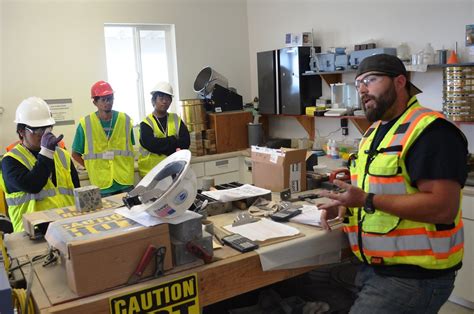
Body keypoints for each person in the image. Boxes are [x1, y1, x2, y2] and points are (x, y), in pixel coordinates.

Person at [318, 54, 467, 313]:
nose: (362, 89)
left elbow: (443, 207)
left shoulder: (431, 132)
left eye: (371, 80)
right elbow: (376, 188)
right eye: (358, 84)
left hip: (414, 276)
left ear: (400, 82)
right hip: (373, 265)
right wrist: (345, 206)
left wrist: (365, 200)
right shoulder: (375, 131)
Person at [0, 97, 79, 232]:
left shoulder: (62, 155)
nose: (44, 134)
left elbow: (77, 191)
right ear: (21, 131)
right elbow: (33, 185)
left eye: (47, 128)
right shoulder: (9, 161)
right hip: (31, 235)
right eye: (37, 130)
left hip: (67, 228)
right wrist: (46, 152)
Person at [71, 81, 135, 196]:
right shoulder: (85, 124)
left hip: (125, 181)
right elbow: (75, 154)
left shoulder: (125, 120)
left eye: (110, 98)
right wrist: (91, 168)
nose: (108, 102)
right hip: (102, 185)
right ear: (95, 102)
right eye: (103, 100)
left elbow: (131, 146)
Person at [138, 81, 190, 177]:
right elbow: (151, 144)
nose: (165, 101)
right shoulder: (146, 123)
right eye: (161, 98)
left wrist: (164, 144)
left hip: (174, 170)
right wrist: (173, 141)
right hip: (152, 173)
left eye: (167, 98)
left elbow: (186, 142)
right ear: (154, 100)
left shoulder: (176, 119)